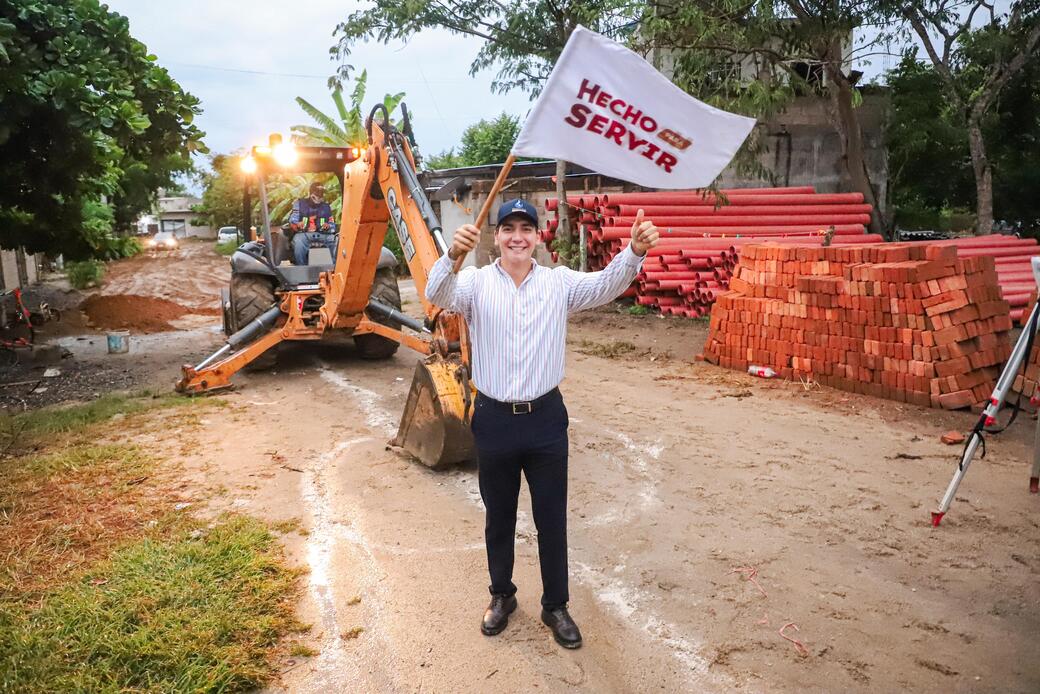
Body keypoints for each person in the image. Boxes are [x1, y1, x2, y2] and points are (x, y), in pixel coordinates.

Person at [424, 198, 659, 649]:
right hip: (493, 418)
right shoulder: (473, 283)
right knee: (499, 517)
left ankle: (556, 605)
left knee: (551, 517)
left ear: (537, 237)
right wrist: (452, 255)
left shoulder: (558, 283)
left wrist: (633, 250)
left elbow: (606, 284)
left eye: (525, 229)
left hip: (545, 419)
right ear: (496, 236)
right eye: (508, 228)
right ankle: (502, 596)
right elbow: (437, 295)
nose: (517, 236)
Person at [289, 181, 338, 265]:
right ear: (311, 193)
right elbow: (293, 220)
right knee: (298, 242)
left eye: (321, 193)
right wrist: (297, 224)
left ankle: (334, 268)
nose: (319, 195)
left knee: (335, 240)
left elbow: (332, 224)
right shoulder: (299, 204)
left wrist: (328, 226)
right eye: (317, 192)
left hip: (323, 234)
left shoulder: (326, 207)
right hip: (304, 234)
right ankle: (302, 268)